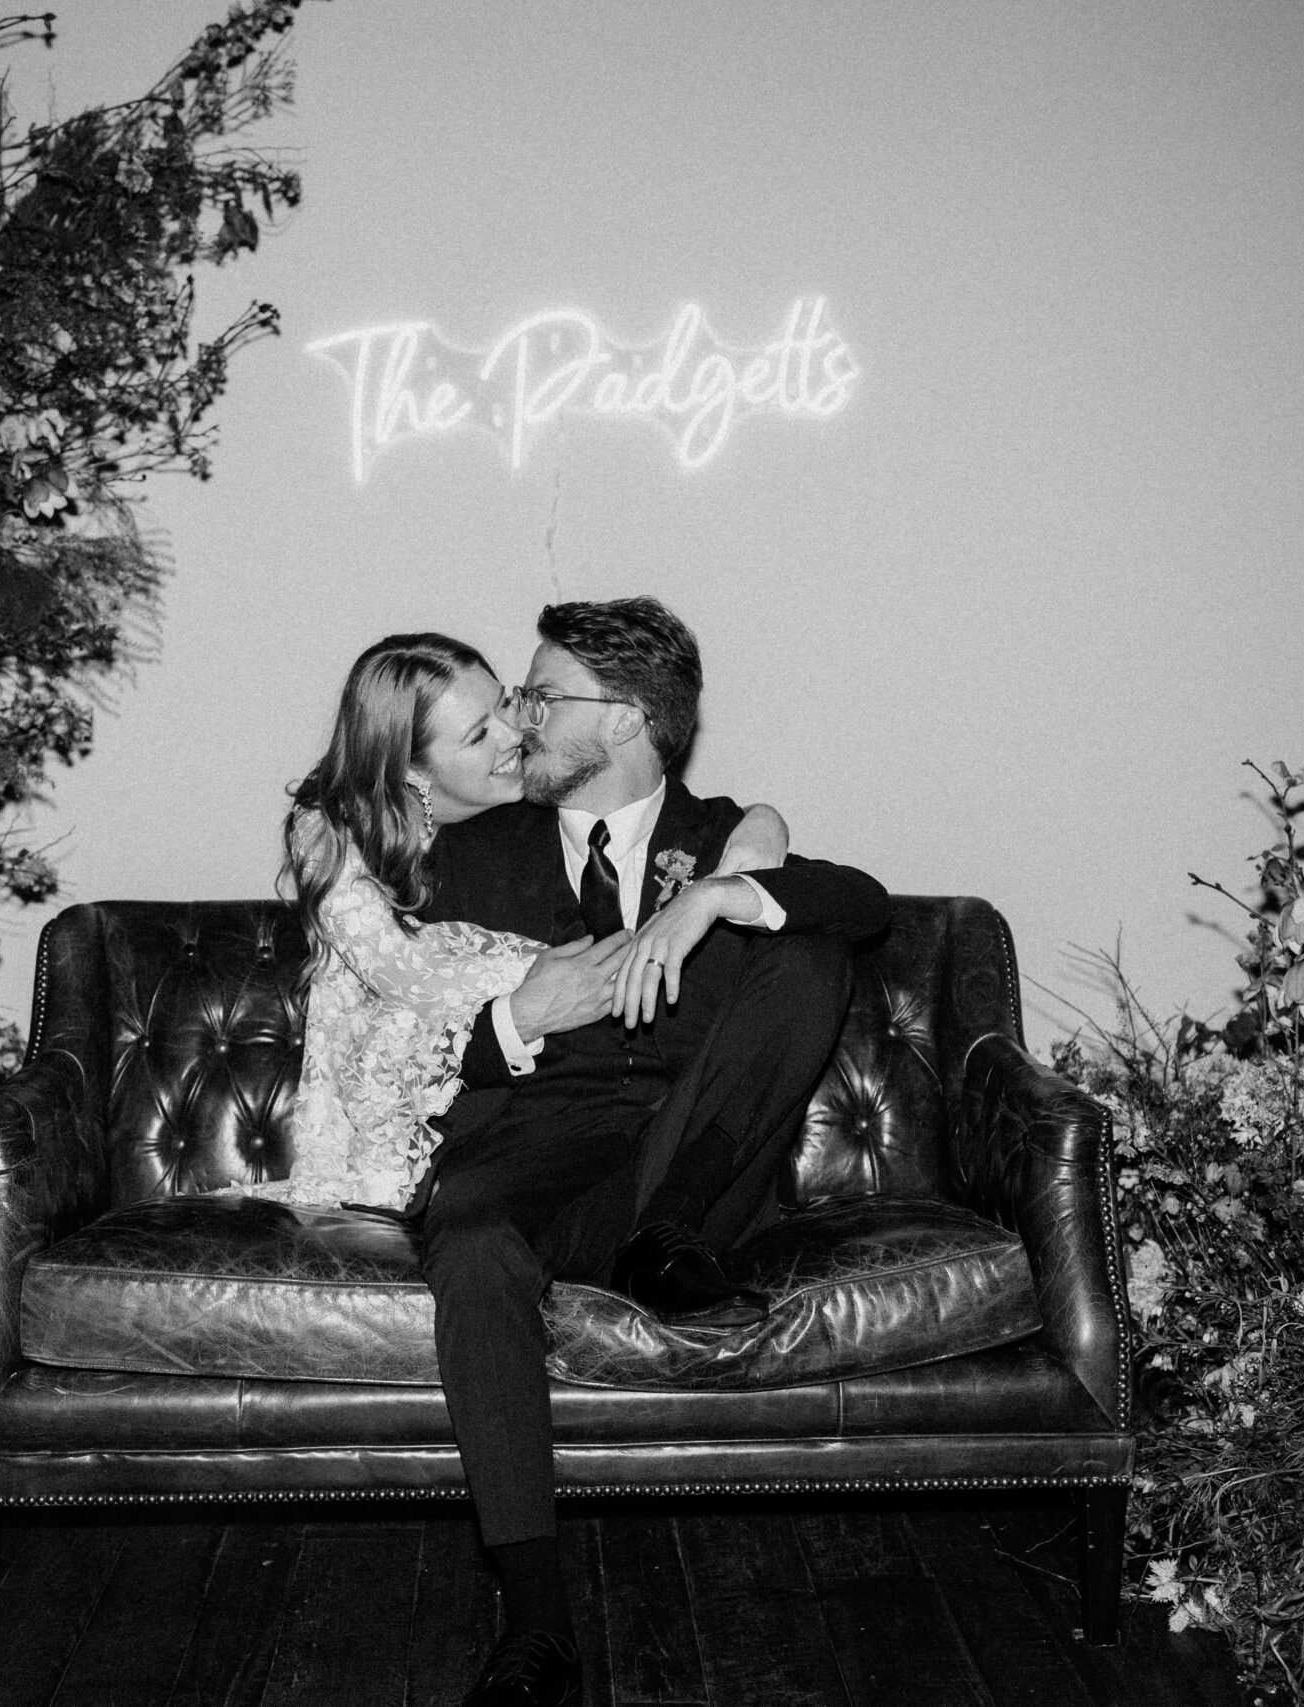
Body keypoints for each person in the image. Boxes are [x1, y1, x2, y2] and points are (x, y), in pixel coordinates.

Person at [414, 597, 890, 1707]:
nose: (521, 718)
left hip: (686, 1172)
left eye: (542, 695)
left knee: (809, 955)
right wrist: (512, 1023)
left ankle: (667, 1229)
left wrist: (728, 892)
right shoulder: (464, 857)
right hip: (535, 1162)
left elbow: (864, 908)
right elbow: (393, 1042)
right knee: (472, 1242)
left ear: (624, 719)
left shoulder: (724, 835)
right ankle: (536, 1629)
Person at [248, 632, 790, 1214]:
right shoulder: (335, 840)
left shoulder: (526, 804)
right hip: (389, 1110)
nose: (515, 735)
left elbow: (647, 811)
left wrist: (765, 822)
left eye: (505, 704)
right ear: (414, 774)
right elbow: (406, 978)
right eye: (479, 736)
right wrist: (541, 983)